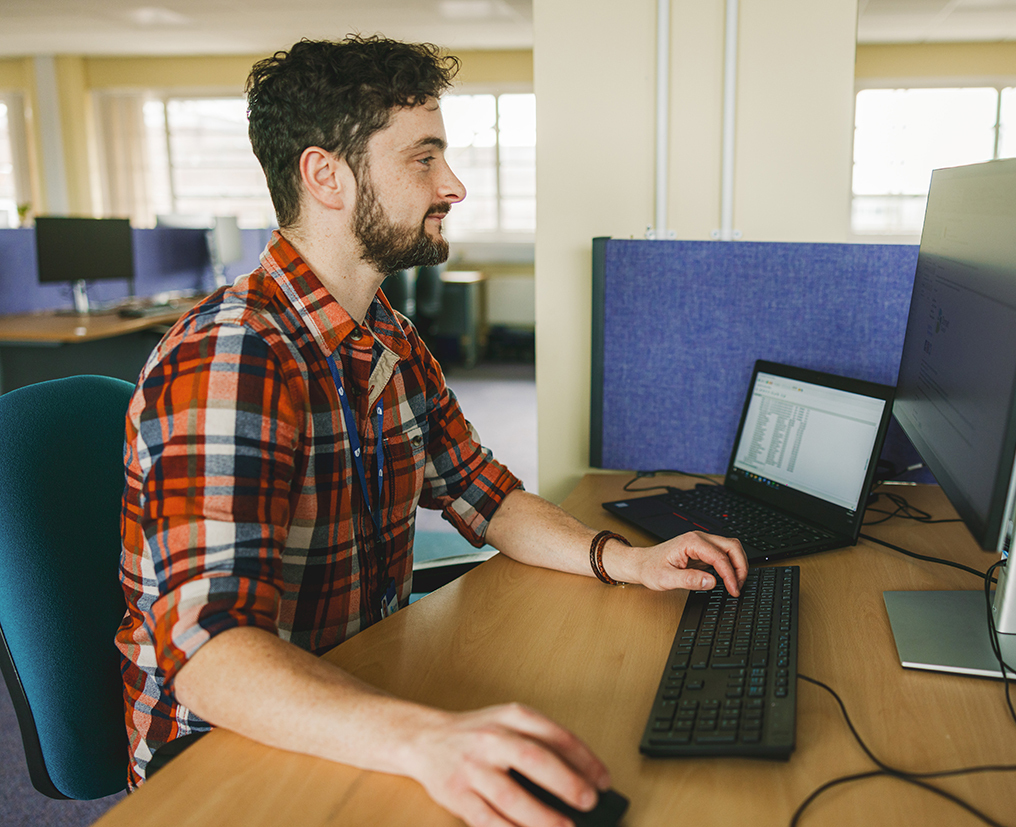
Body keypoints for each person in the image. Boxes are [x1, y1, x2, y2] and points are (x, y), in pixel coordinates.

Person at [116, 34, 748, 827]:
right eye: (424, 159)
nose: (452, 185)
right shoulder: (232, 357)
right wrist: (426, 739)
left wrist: (627, 559)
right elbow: (211, 655)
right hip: (223, 754)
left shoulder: (388, 340)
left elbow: (485, 495)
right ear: (326, 176)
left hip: (353, 690)